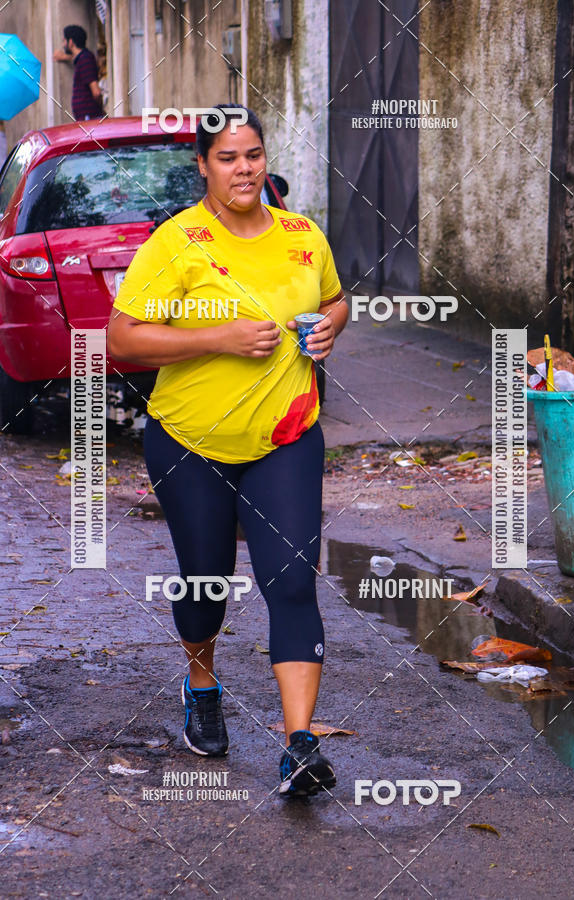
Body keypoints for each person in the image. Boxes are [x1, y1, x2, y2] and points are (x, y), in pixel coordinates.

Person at [107, 104, 348, 798]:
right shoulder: (177, 242)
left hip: (286, 438)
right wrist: (219, 337)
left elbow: (335, 300)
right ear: (204, 167)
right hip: (192, 442)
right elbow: (121, 339)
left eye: (252, 154)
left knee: (293, 582)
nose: (243, 169)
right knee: (206, 583)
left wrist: (329, 327)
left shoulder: (303, 236)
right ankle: (202, 681)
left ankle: (299, 747)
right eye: (227, 158)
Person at [53, 25, 104, 121]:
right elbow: (75, 57)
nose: (63, 45)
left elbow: (96, 92)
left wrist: (100, 111)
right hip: (85, 117)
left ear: (71, 42)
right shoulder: (81, 58)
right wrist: (64, 57)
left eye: (64, 41)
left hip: (89, 117)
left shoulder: (86, 59)